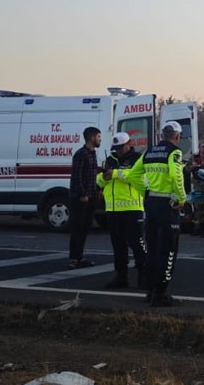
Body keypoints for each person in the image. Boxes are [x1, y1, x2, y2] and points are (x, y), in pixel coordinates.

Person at [112, 121, 188, 305]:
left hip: (151, 203)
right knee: (168, 249)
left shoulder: (149, 152)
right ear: (177, 136)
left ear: (162, 134)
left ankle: (151, 290)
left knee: (152, 249)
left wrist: (145, 192)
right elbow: (176, 175)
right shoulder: (174, 152)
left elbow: (132, 175)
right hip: (168, 205)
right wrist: (182, 198)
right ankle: (160, 294)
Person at [97, 132, 147, 290]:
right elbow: (98, 179)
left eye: (121, 147)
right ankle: (121, 277)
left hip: (132, 207)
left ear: (129, 143)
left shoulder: (137, 158)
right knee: (118, 246)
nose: (118, 151)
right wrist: (103, 178)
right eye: (116, 148)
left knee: (137, 245)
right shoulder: (110, 159)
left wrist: (116, 174)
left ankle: (145, 277)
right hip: (113, 209)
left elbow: (138, 177)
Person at [67, 126, 101, 269]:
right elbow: (77, 176)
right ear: (92, 137)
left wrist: (97, 190)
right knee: (78, 228)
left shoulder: (93, 154)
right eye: (98, 136)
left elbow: (93, 176)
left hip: (92, 196)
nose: (100, 139)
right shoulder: (81, 154)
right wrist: (83, 194)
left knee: (85, 228)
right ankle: (73, 258)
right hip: (82, 198)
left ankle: (80, 257)